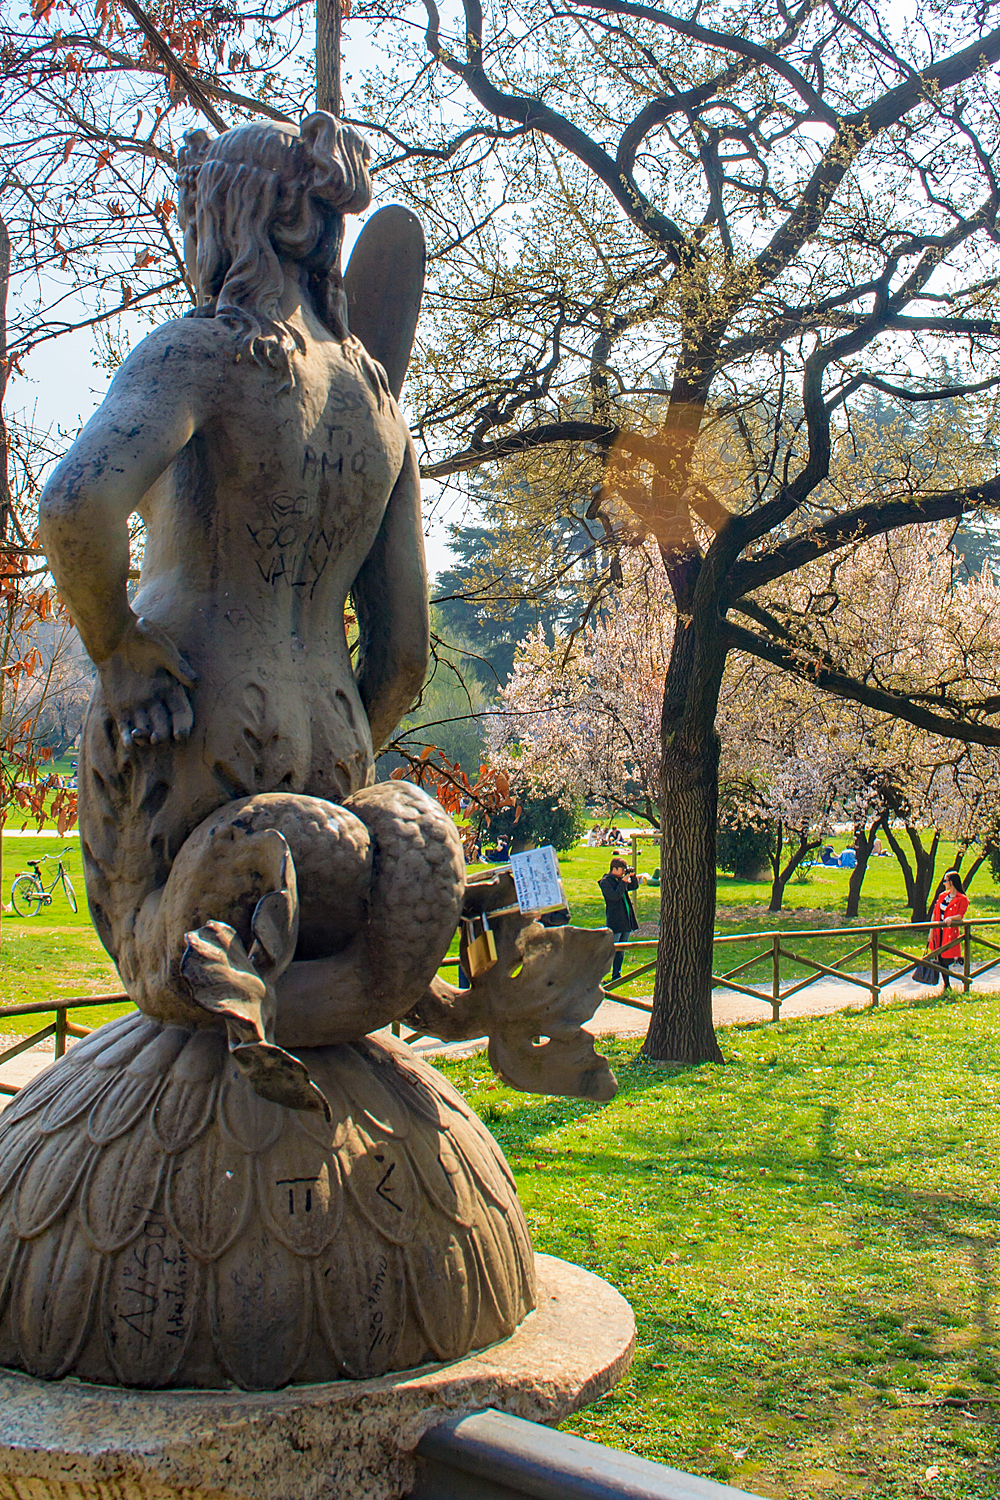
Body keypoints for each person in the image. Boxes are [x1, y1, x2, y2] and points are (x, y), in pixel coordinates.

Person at [598, 856, 639, 982]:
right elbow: (614, 896)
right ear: (614, 869)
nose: (623, 872)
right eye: (622, 870)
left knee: (621, 951)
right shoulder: (606, 882)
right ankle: (600, 976)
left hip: (625, 920)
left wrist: (632, 876)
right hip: (615, 921)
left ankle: (616, 975)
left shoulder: (621, 880)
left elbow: (633, 887)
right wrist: (623, 882)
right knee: (611, 951)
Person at [928, 870, 969, 991]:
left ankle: (956, 975)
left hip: (950, 932)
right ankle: (947, 985)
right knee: (939, 957)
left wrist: (951, 918)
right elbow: (935, 914)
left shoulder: (962, 899)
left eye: (945, 881)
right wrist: (931, 931)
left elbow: (960, 915)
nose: (944, 883)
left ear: (951, 882)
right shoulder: (942, 896)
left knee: (946, 958)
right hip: (938, 931)